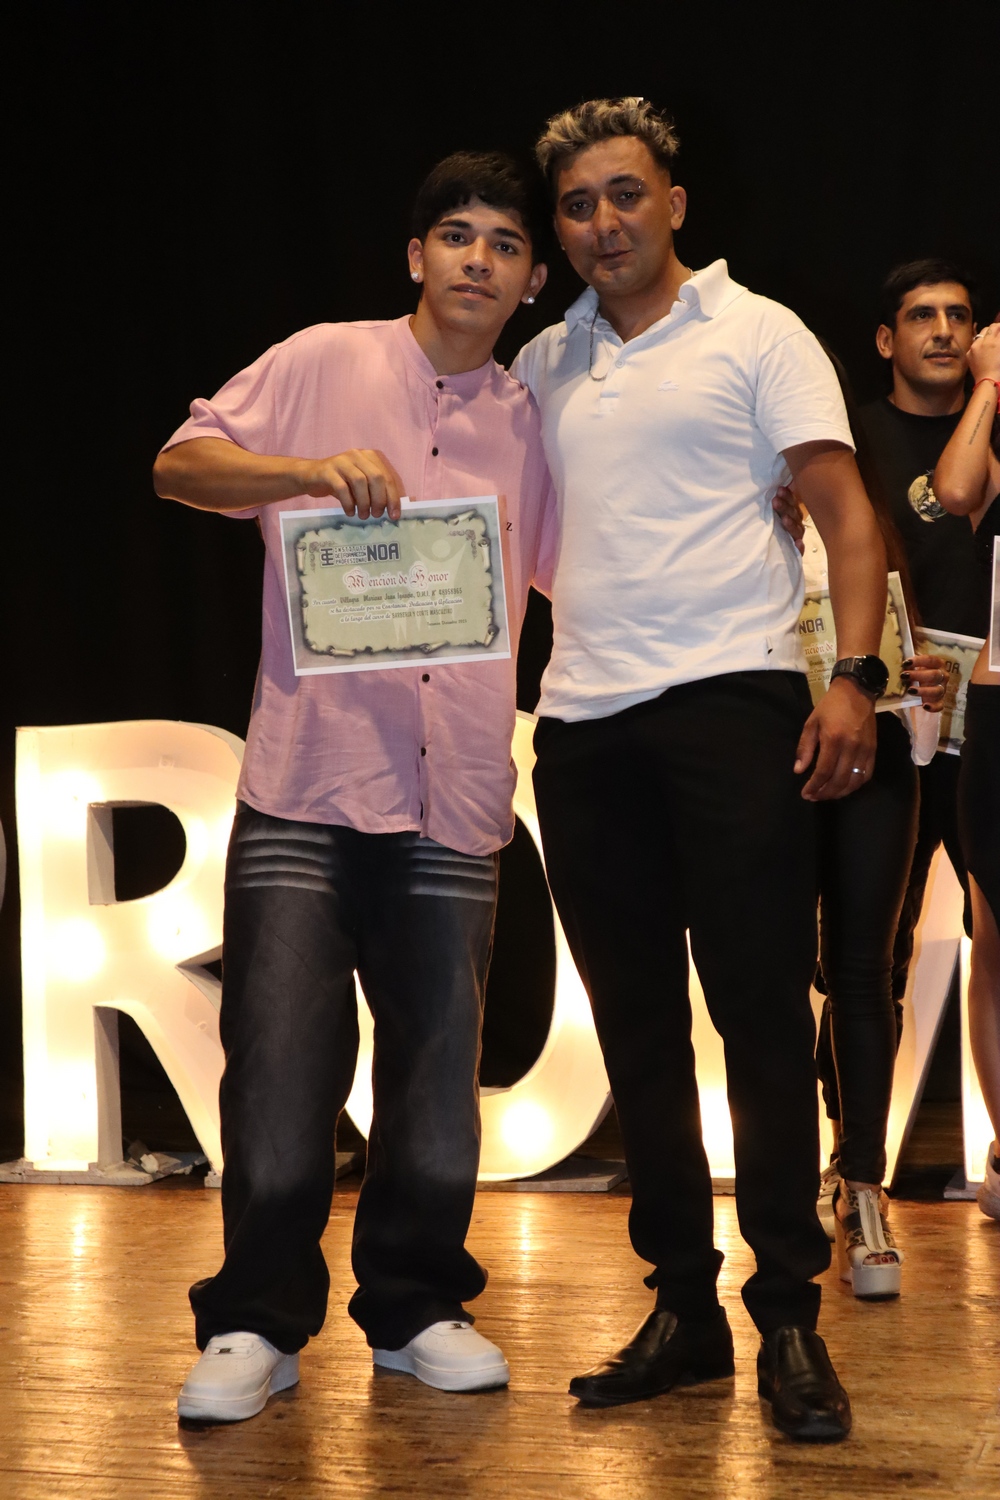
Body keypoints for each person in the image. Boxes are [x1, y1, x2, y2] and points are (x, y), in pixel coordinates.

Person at [152, 151, 555, 1420]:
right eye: (458, 235)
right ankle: (254, 1323)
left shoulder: (535, 422)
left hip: (456, 792)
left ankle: (415, 1307)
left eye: (505, 244)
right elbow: (178, 466)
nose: (479, 260)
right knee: (276, 1064)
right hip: (306, 785)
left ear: (534, 282)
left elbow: (582, 569)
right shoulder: (321, 360)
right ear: (416, 256)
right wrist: (305, 471)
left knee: (436, 1070)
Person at [513, 97, 889, 1443]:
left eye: (625, 194)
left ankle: (787, 1314)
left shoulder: (760, 331)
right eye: (577, 205)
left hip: (734, 705)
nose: (602, 221)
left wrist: (854, 679)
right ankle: (681, 1307)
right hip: (579, 727)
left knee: (762, 1021)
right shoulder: (542, 361)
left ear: (673, 203)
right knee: (637, 1032)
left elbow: (848, 516)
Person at [796, 349, 947, 1296]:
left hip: (877, 754)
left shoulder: (871, 529)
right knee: (774, 973)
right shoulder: (735, 528)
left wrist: (927, 681)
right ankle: (789, 1187)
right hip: (765, 756)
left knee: (864, 971)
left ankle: (861, 1187)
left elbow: (913, 659)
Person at [860, 261, 990, 996]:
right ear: (886, 340)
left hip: (989, 728)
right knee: (868, 959)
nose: (943, 331)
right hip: (888, 723)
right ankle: (847, 1082)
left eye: (958, 316)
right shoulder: (849, 436)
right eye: (922, 315)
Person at [931, 319, 1000, 1223]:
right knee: (995, 934)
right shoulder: (991, 451)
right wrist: (987, 381)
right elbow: (952, 490)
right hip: (999, 705)